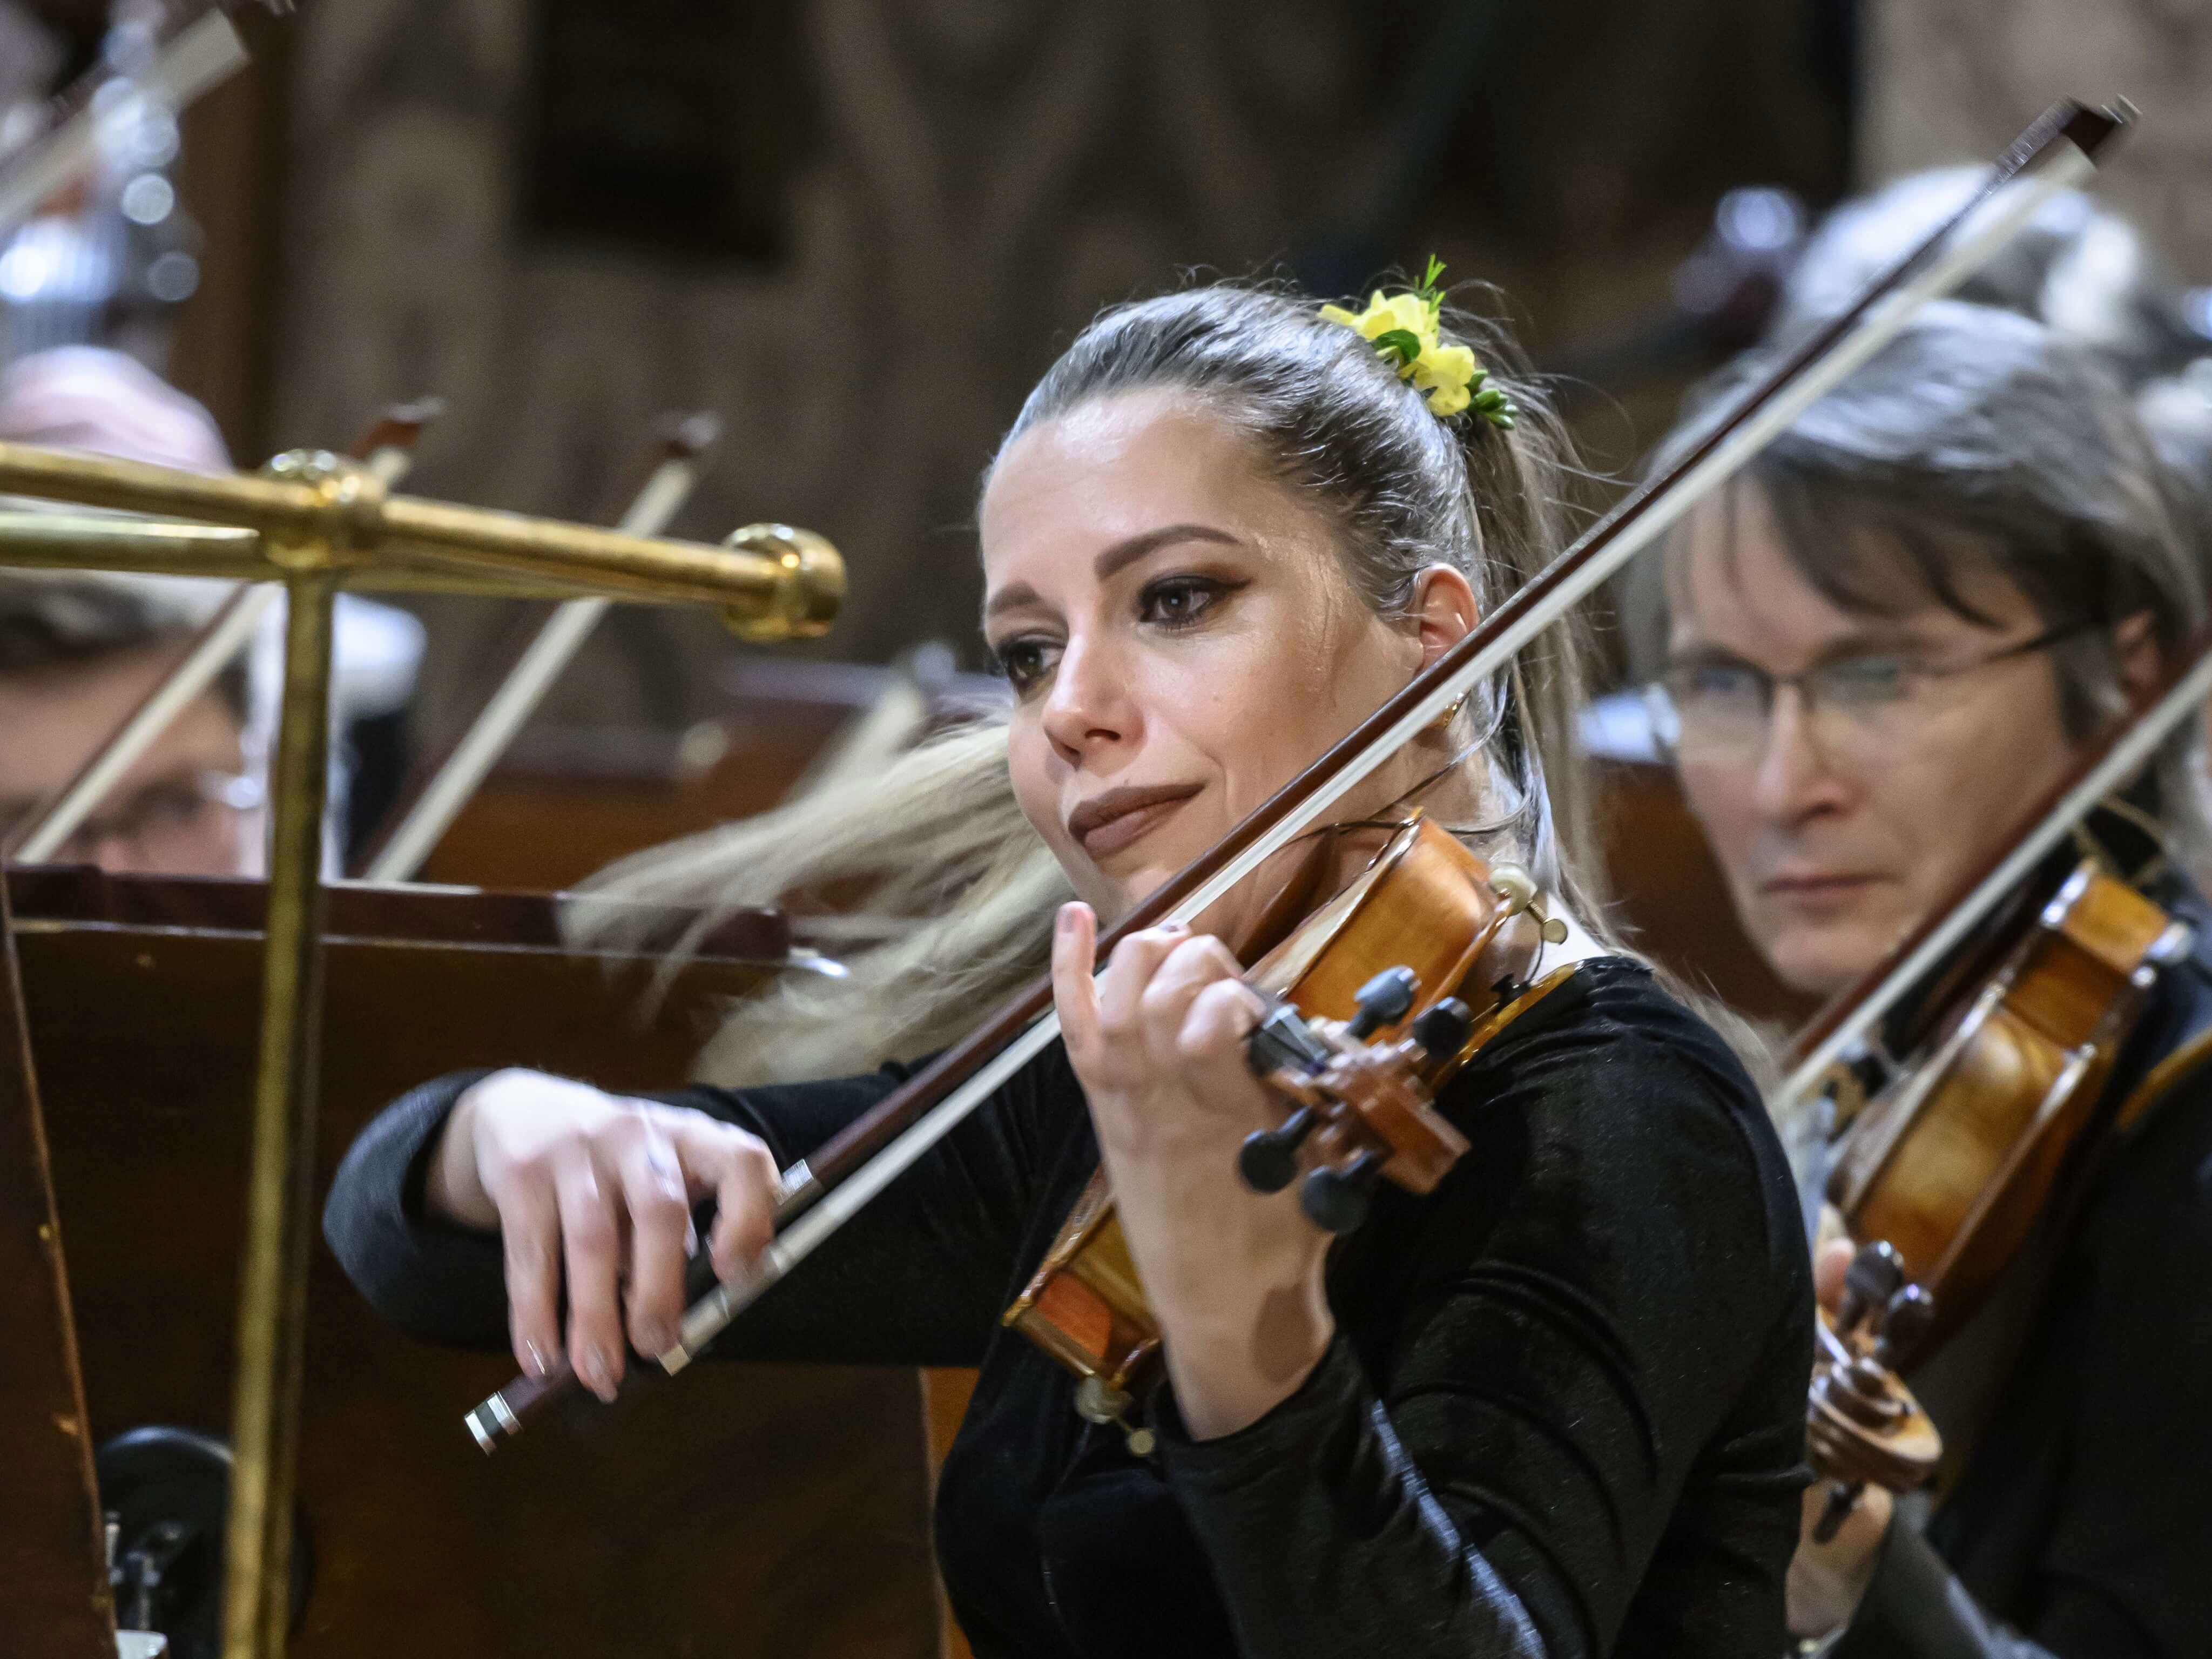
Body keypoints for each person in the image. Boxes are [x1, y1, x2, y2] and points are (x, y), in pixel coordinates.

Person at [324, 278, 1812, 1658]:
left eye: (1174, 600)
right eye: (1029, 650)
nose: (1071, 712)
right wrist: (502, 1132)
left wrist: (1246, 1333)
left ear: (1429, 649)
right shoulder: (1134, 1093)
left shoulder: (1614, 1107)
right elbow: (421, 1257)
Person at [1630, 298, 2212, 1657]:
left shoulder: (2182, 1134)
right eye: (1719, 684)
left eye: (1876, 675)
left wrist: (1851, 1589)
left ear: (2122, 677)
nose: (1783, 786)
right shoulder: (1877, 1054)